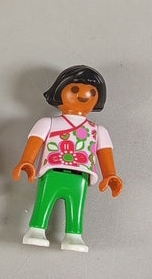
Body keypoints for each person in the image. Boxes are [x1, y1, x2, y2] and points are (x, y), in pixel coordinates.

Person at [12, 65, 122, 251]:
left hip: (80, 176)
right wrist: (27, 162)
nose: (83, 95)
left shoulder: (97, 130)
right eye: (75, 89)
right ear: (59, 91)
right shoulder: (48, 123)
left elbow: (105, 152)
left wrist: (110, 174)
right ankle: (36, 230)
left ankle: (74, 235)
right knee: (44, 202)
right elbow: (35, 142)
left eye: (91, 92)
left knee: (76, 206)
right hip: (52, 171)